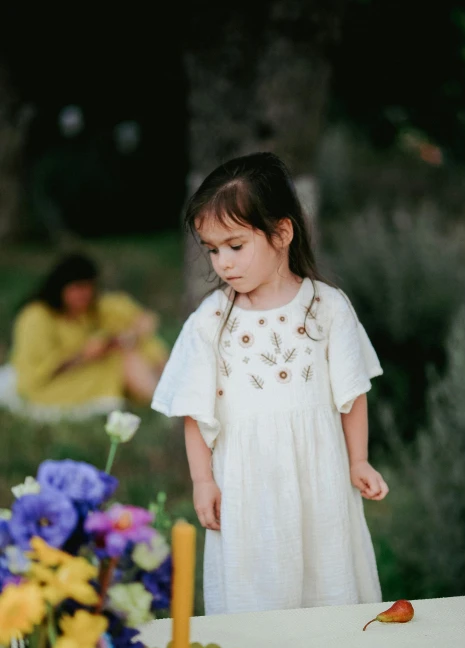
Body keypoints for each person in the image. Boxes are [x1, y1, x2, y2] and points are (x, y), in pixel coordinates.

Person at [152, 152, 389, 615]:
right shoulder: (212, 321)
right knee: (256, 585)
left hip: (318, 477)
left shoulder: (326, 308)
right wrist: (203, 481)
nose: (222, 263)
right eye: (212, 249)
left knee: (326, 573)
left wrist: (357, 459)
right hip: (245, 484)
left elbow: (352, 393)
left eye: (235, 246)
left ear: (281, 233)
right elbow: (196, 410)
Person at [7, 253, 167, 418]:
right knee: (123, 359)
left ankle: (168, 391)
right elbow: (39, 374)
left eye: (88, 288)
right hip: (52, 386)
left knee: (142, 346)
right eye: (77, 289)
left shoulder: (91, 309)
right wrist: (83, 356)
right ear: (60, 287)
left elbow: (142, 318)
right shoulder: (36, 317)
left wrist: (126, 336)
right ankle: (161, 400)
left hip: (89, 370)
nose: (84, 295)